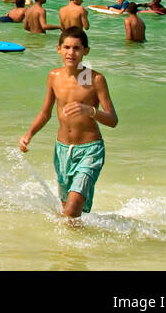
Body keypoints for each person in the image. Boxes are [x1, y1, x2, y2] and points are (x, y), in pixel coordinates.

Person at [19, 27, 118, 217]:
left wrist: (91, 111)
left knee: (71, 210)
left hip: (90, 150)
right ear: (58, 49)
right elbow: (45, 112)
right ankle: (71, 247)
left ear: (85, 51)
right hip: (62, 150)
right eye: (67, 47)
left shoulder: (96, 79)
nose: (71, 53)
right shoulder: (53, 76)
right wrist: (28, 135)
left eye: (77, 48)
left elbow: (113, 120)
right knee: (67, 211)